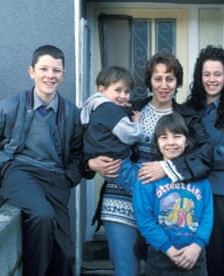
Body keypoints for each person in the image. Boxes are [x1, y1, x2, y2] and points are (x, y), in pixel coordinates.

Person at [85, 53, 213, 276]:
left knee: (164, 268)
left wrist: (165, 168)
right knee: (127, 270)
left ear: (177, 83)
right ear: (149, 81)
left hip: (168, 204)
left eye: (170, 79)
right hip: (121, 200)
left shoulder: (187, 117)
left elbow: (206, 154)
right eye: (158, 78)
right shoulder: (127, 108)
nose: (164, 85)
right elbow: (90, 134)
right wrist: (89, 162)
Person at [0, 45, 84, 276]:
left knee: (66, 254)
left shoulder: (72, 113)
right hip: (20, 173)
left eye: (56, 70)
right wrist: (4, 166)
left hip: (55, 179)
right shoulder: (10, 106)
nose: (50, 75)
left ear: (63, 74)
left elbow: (79, 153)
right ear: (32, 71)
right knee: (42, 216)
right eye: (44, 69)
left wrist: (68, 178)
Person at [185, 45, 224, 276]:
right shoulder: (190, 109)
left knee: (215, 253)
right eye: (206, 74)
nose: (212, 79)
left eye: (217, 74)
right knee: (187, 249)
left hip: (219, 192)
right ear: (199, 77)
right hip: (188, 189)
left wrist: (189, 160)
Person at [133, 112, 213, 275]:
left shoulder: (198, 175)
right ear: (157, 142)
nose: (171, 142)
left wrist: (197, 245)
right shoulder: (147, 176)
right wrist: (167, 248)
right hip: (160, 255)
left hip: (194, 255)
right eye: (164, 137)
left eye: (177, 136)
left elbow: (207, 213)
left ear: (186, 140)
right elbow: (144, 218)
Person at [81, 66, 142, 194]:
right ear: (101, 89)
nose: (123, 96)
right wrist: (136, 123)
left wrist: (125, 110)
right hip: (117, 163)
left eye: (127, 92)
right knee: (142, 189)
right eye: (118, 90)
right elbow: (130, 135)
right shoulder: (110, 109)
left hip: (107, 162)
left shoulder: (94, 107)